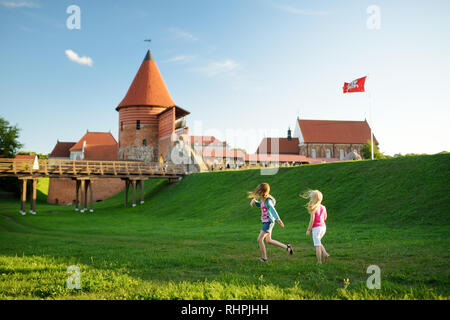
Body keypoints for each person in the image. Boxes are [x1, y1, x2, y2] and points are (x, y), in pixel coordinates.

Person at [249, 183, 294, 262]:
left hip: (268, 222)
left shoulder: (268, 200)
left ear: (262, 192)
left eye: (258, 191)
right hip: (266, 222)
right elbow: (261, 205)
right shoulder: (262, 199)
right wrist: (255, 202)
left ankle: (264, 258)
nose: (257, 193)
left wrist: (278, 219)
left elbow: (272, 209)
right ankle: (287, 247)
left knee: (259, 239)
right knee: (269, 240)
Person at [302, 190, 330, 264]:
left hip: (316, 228)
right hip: (323, 227)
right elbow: (325, 217)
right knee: (318, 242)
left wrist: (308, 230)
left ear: (313, 199)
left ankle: (319, 261)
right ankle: (325, 254)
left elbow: (312, 220)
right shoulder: (323, 207)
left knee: (317, 245)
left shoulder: (313, 207)